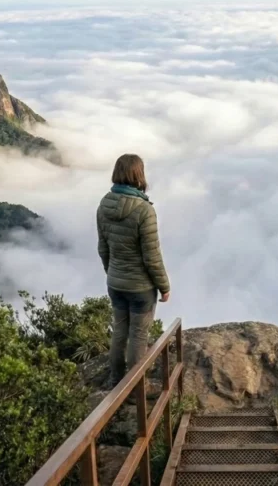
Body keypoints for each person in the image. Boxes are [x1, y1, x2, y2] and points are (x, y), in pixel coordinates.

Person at [97, 154, 171, 388]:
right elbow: (152, 256)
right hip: (140, 288)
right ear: (139, 175)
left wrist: (112, 272)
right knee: (138, 336)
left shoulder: (104, 204)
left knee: (119, 331)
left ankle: (115, 379)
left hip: (116, 283)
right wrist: (164, 286)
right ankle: (136, 387)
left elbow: (103, 247)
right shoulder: (143, 210)